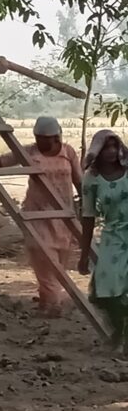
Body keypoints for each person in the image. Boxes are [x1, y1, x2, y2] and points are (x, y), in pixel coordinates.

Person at [0, 115, 81, 316]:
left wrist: (83, 207)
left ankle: (48, 300)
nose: (42, 142)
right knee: (43, 258)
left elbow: (79, 181)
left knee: (60, 262)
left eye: (46, 138)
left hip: (63, 215)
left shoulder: (67, 152)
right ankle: (52, 305)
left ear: (56, 137)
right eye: (39, 138)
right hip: (37, 215)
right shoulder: (28, 152)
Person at [79, 130, 128, 353]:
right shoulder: (92, 178)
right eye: (105, 147)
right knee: (104, 293)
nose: (110, 152)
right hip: (112, 237)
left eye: (113, 146)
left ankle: (122, 340)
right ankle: (119, 330)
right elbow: (88, 216)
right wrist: (83, 254)